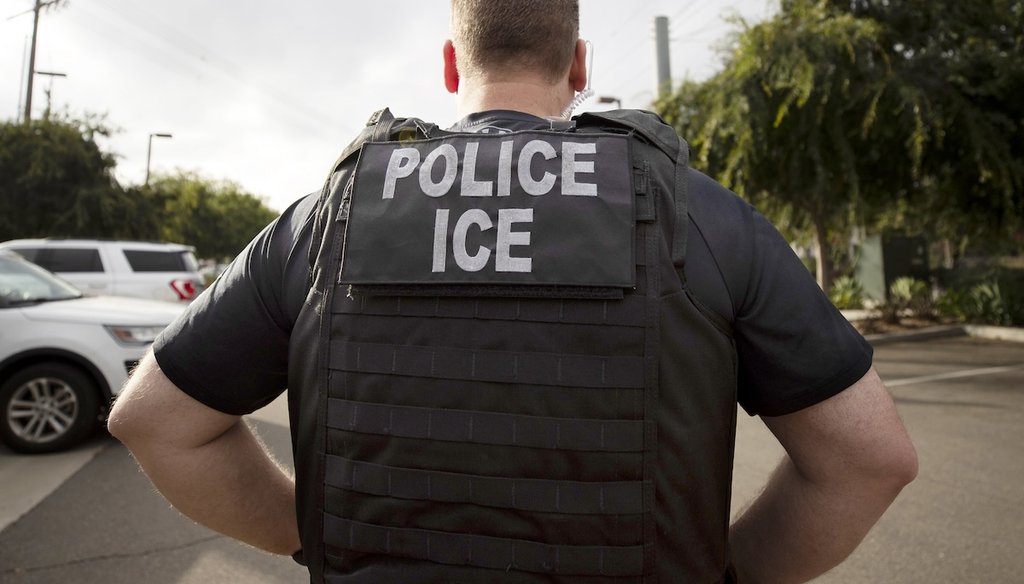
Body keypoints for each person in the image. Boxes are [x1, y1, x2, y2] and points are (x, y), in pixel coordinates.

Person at [108, 1, 918, 582]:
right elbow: (869, 460)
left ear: (453, 64)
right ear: (579, 65)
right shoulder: (700, 214)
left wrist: (304, 530)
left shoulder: (331, 216)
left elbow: (153, 421)